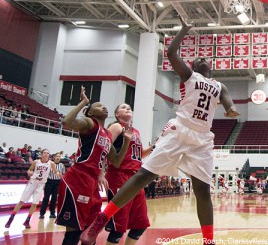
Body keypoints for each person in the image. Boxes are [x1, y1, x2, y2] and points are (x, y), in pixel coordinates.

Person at [81, 15, 239, 245]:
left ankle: (209, 241)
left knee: (203, 191)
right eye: (198, 57)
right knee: (144, 176)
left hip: (203, 138)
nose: (203, 57)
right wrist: (183, 30)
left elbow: (228, 102)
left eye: (206, 58)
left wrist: (232, 109)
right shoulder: (189, 76)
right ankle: (100, 220)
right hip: (180, 129)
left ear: (211, 68)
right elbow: (172, 53)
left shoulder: (219, 85)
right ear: (193, 66)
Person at [56, 86, 127, 245]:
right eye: (99, 106)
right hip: (77, 179)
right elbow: (67, 122)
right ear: (90, 112)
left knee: (89, 234)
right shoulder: (90, 123)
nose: (104, 106)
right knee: (74, 232)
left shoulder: (108, 134)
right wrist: (84, 102)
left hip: (92, 183)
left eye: (104, 105)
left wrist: (127, 141)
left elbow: (116, 161)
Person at [104, 103, 154, 244]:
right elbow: (104, 147)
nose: (127, 109)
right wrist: (101, 172)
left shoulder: (135, 131)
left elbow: (140, 154)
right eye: (123, 108)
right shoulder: (116, 126)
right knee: (118, 226)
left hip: (136, 178)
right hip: (119, 175)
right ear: (117, 114)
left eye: (129, 108)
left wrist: (156, 146)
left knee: (140, 224)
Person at [4, 149, 61, 229]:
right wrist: (29, 172)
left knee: (35, 203)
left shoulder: (51, 163)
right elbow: (29, 170)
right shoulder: (36, 162)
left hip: (41, 184)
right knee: (22, 201)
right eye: (44, 153)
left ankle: (27, 220)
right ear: (41, 154)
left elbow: (55, 172)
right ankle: (11, 218)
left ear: (49, 155)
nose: (46, 154)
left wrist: (59, 174)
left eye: (47, 153)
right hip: (32, 182)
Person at [39, 152, 66, 219]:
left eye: (59, 156)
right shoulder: (50, 164)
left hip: (57, 183)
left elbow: (63, 175)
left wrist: (61, 176)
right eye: (57, 156)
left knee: (54, 198)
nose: (58, 157)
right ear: (54, 157)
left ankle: (52, 213)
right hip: (49, 182)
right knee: (46, 198)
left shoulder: (62, 165)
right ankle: (42, 213)